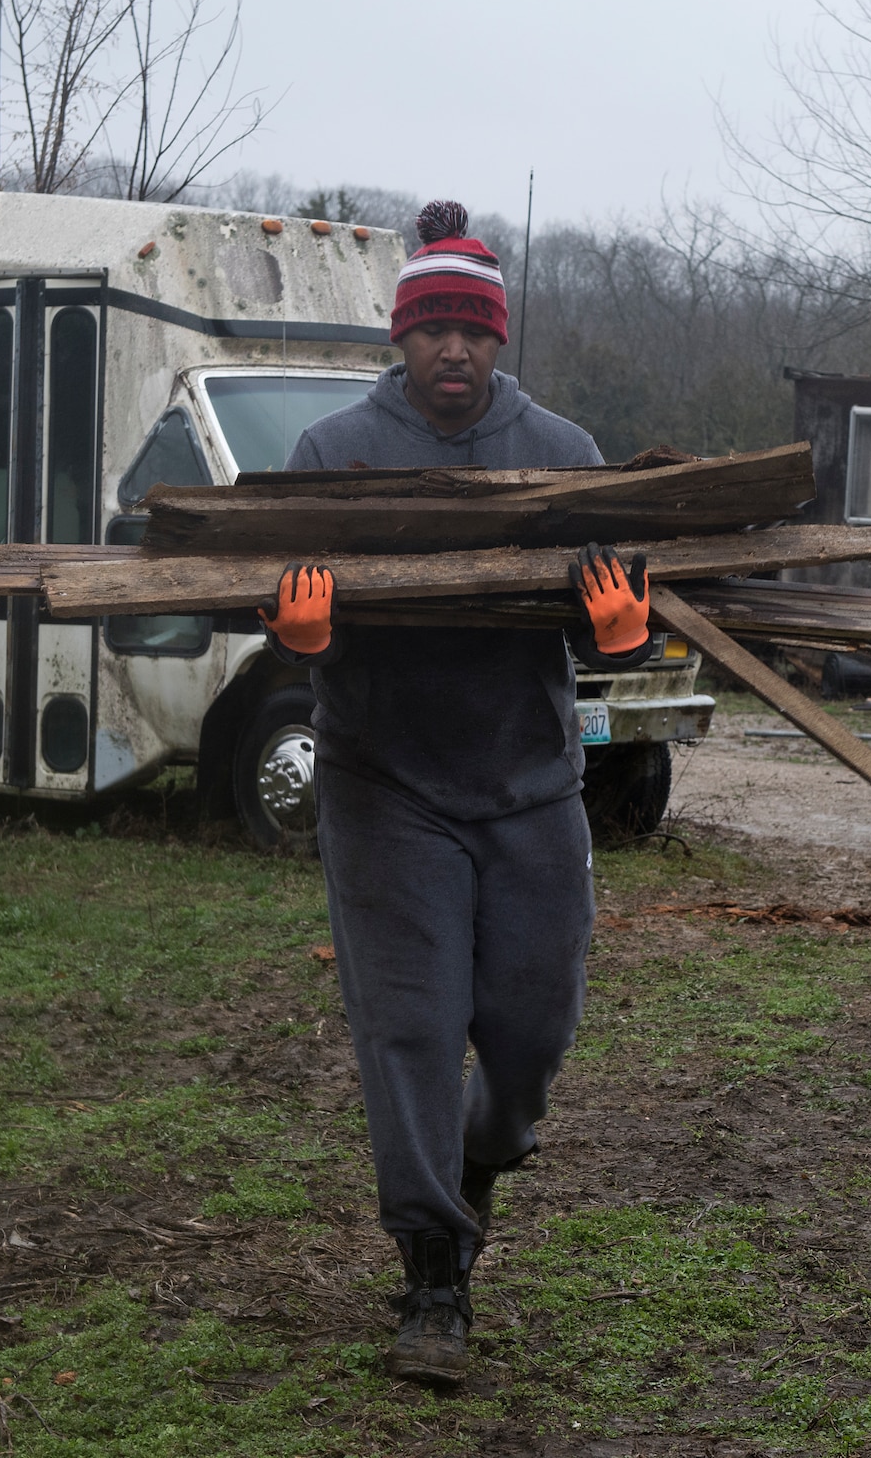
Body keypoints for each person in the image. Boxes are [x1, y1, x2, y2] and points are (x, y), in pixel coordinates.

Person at [255, 201, 655, 1388]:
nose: (452, 351)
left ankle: (477, 1168)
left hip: (529, 781)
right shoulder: (333, 455)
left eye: (470, 330)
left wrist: (622, 639)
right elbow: (276, 613)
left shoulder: (564, 452)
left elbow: (607, 630)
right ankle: (433, 1272)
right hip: (385, 785)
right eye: (430, 328)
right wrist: (301, 637)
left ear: (498, 337)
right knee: (413, 1031)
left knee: (528, 1039)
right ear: (400, 337)